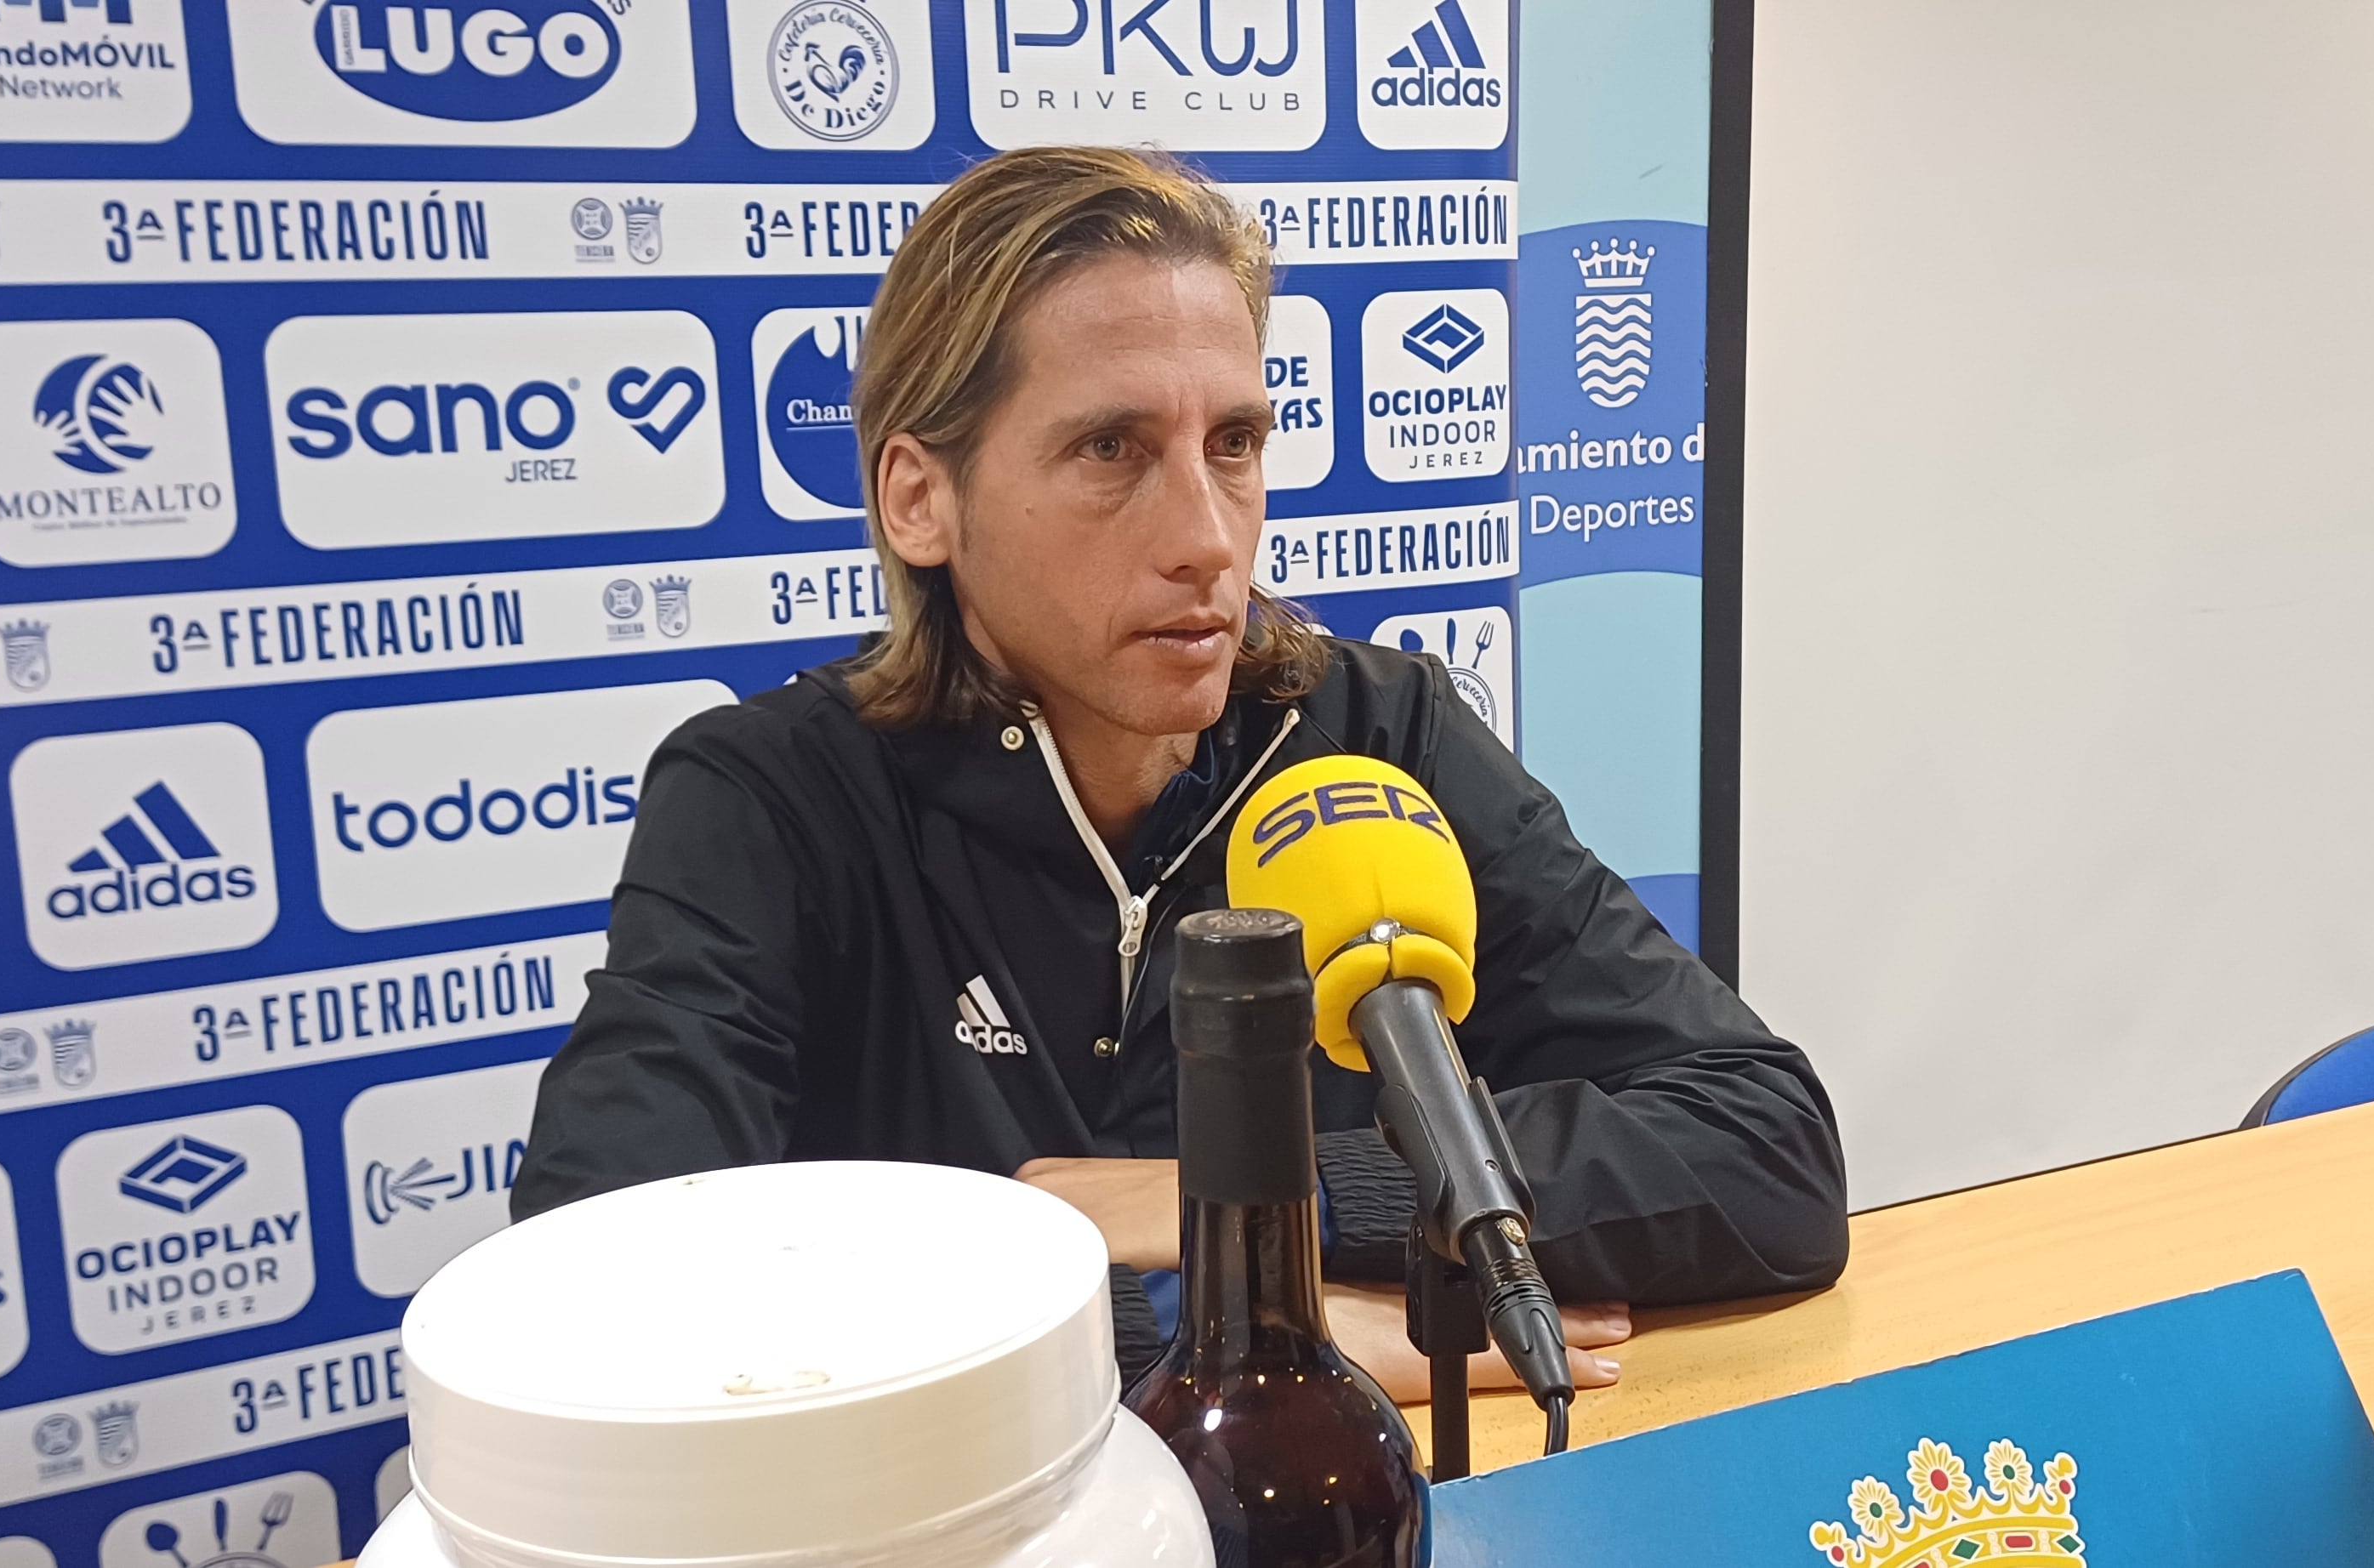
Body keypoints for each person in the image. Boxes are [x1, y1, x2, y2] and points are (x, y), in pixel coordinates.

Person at [509, 145, 1847, 1398]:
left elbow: (1767, 1154)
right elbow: (605, 1277)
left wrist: (1249, 1202)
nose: (1209, 538)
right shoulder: (773, 798)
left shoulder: (1381, 734)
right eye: (1111, 451)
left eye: (1235, 446)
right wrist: (1227, 1324)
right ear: (922, 498)